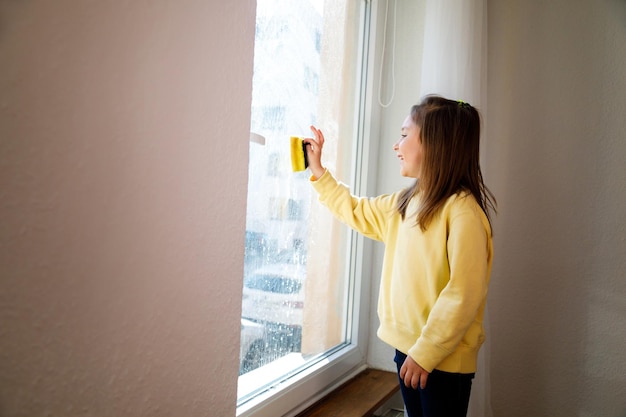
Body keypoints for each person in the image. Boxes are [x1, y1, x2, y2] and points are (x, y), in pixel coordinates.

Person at [303, 95, 497, 417]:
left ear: (435, 145)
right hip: (407, 350)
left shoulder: (463, 214)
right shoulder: (405, 203)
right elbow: (356, 210)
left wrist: (426, 353)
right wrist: (319, 171)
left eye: (405, 135)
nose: (396, 145)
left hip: (441, 361)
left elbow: (463, 294)